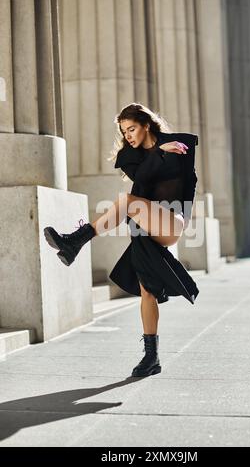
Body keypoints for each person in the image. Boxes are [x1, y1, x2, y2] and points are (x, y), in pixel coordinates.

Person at [44, 103, 199, 378]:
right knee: (147, 290)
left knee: (127, 201)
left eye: (132, 129)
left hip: (172, 220)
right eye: (123, 131)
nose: (127, 135)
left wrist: (184, 214)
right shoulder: (130, 157)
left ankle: (76, 241)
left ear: (146, 125)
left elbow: (189, 181)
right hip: (143, 223)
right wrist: (158, 153)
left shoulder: (178, 145)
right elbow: (142, 180)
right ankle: (151, 357)